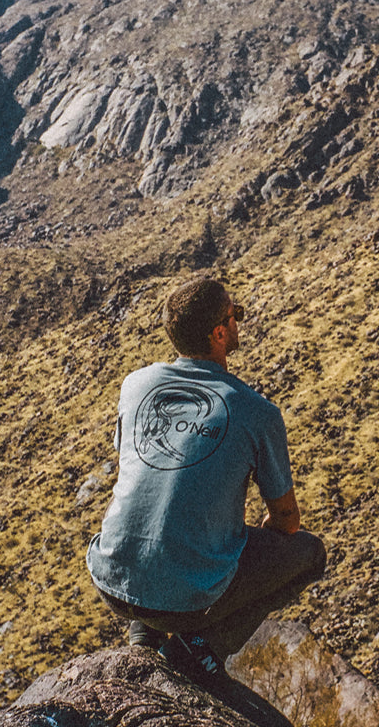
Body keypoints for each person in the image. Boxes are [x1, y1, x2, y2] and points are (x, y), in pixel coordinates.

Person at [86, 277, 326, 677]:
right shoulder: (257, 412)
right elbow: (287, 521)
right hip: (186, 599)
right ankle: (198, 649)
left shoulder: (135, 385)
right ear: (219, 332)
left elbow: (151, 474)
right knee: (309, 554)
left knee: (164, 515)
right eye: (236, 316)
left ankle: (143, 638)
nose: (239, 322)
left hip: (112, 577)